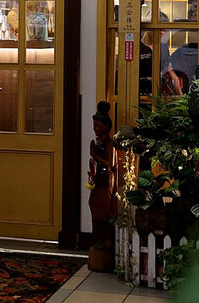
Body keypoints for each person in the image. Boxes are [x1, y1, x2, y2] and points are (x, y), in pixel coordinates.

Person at [86, 101, 115, 270]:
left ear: (106, 126)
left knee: (103, 210)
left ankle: (107, 240)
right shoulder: (99, 142)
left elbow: (110, 163)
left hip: (105, 180)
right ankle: (99, 238)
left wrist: (94, 154)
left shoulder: (108, 143)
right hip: (98, 179)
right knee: (94, 206)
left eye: (97, 125)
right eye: (94, 125)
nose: (95, 128)